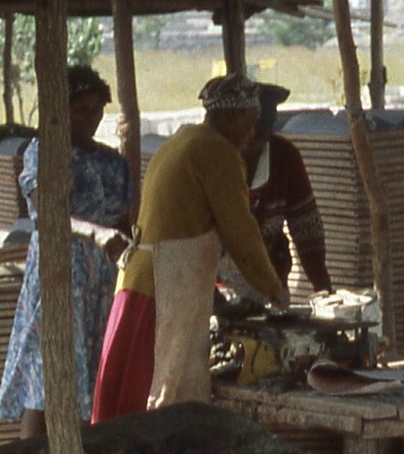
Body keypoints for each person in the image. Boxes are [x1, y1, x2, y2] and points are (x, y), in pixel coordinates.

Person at [92, 73, 287, 422]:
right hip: (162, 291)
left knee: (126, 403)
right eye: (250, 122)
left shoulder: (182, 141)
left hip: (138, 283)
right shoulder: (218, 153)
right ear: (230, 116)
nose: (252, 132)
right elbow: (242, 237)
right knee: (153, 402)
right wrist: (274, 290)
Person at [0, 65, 130, 439]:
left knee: (92, 375)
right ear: (61, 111)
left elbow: (126, 223)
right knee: (45, 374)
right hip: (59, 277)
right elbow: (48, 214)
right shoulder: (43, 154)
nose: (91, 119)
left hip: (101, 284)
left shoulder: (113, 163)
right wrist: (94, 232)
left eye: (96, 111)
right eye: (81, 111)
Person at [237, 83, 334, 298]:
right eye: (246, 131)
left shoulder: (284, 156)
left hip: (270, 281)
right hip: (214, 283)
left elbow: (306, 231)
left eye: (260, 132)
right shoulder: (213, 160)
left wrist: (324, 291)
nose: (251, 140)